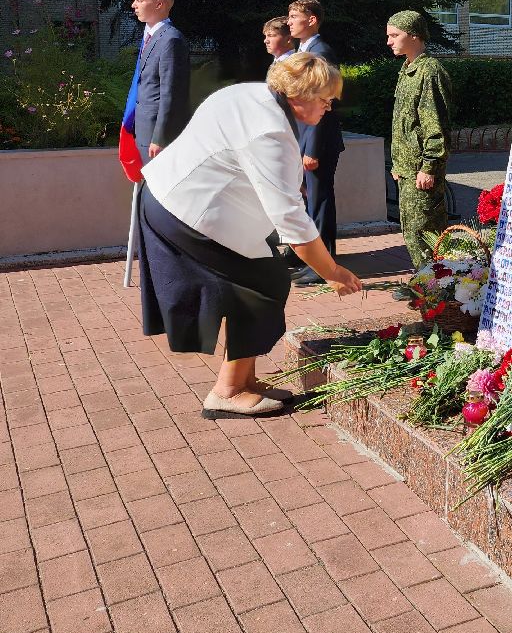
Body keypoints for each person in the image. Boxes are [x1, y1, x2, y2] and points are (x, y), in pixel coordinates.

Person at [137, 53, 364, 418]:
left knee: (263, 279)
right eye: (325, 99)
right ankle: (227, 391)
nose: (329, 107)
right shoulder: (270, 130)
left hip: (172, 197)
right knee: (262, 285)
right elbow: (291, 220)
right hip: (186, 211)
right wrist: (332, 272)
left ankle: (244, 380)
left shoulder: (249, 94)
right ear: (300, 96)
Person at [386, 11, 453, 269]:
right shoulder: (408, 69)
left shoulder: (429, 71)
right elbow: (405, 124)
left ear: (414, 35)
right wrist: (398, 164)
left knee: (426, 231)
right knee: (412, 230)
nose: (389, 41)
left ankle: (435, 283)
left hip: (420, 171)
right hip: (407, 169)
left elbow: (436, 126)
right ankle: (425, 281)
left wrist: (429, 167)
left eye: (395, 35)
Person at [285, 0, 344, 281]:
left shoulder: (321, 53)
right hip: (304, 140)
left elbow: (323, 104)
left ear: (311, 20)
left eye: (294, 16)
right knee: (308, 203)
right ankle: (309, 258)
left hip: (318, 143)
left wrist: (312, 150)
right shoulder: (304, 51)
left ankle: (324, 266)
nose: (288, 22)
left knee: (319, 202)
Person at [129, 0, 191, 160]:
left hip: (156, 136)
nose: (133, 5)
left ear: (159, 4)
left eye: (140, 0)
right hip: (143, 129)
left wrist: (160, 137)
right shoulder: (151, 37)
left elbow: (171, 93)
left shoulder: (170, 40)